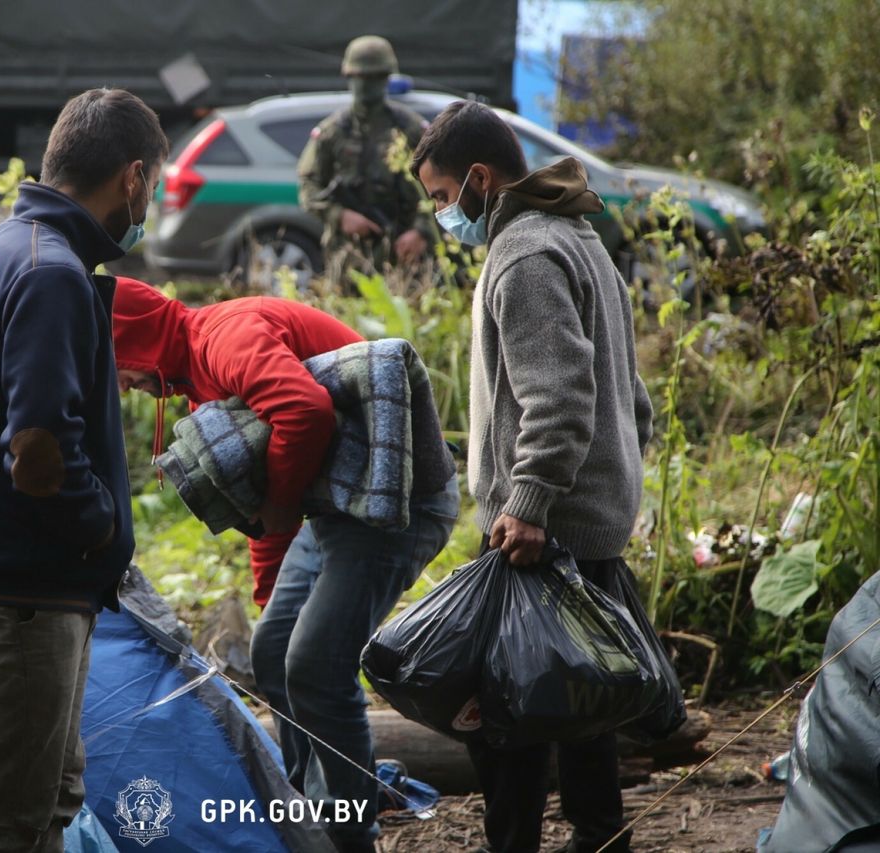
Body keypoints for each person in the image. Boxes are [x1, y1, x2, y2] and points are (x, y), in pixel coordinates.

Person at [111, 279, 459, 852]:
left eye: (117, 367)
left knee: (317, 667)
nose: (123, 384)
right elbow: (261, 500)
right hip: (335, 507)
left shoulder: (224, 339)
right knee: (274, 651)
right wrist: (270, 587)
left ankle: (350, 835)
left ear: (132, 342)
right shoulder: (197, 379)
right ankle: (308, 807)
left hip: (396, 501)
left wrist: (279, 503)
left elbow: (305, 410)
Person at [0, 88, 167, 853]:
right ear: (131, 177)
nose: (149, 202)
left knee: (46, 807)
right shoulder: (50, 271)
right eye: (154, 186)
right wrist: (100, 524)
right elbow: (35, 450)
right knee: (3, 824)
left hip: (14, 594)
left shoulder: (2, 249)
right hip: (20, 603)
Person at [411, 100, 654, 853]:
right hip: (590, 517)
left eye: (444, 197)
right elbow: (633, 400)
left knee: (505, 710)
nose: (445, 216)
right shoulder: (581, 238)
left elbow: (558, 395)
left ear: (481, 179)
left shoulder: (524, 254)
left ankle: (513, 844)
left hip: (542, 526)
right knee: (583, 697)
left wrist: (529, 503)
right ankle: (599, 836)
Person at [297, 35, 438, 289]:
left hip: (407, 256)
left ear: (386, 78)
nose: (366, 85)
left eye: (375, 77)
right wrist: (340, 216)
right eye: (360, 77)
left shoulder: (411, 129)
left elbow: (440, 187)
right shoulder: (333, 132)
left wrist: (420, 231)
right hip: (349, 258)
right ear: (349, 77)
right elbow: (309, 186)